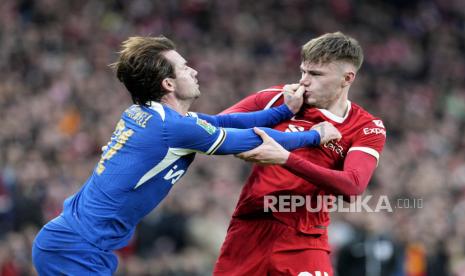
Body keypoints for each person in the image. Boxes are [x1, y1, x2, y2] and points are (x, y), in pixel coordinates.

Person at [31, 36, 341, 275]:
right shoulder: (171, 128)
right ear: (168, 84)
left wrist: (284, 111)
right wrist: (315, 135)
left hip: (73, 243)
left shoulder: (151, 115)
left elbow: (225, 122)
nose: (193, 70)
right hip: (77, 248)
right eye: (183, 67)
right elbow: (250, 141)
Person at [214, 32, 387, 276]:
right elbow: (213, 132)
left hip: (305, 239)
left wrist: (285, 158)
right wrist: (281, 113)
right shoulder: (278, 98)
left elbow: (353, 186)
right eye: (303, 71)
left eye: (315, 74)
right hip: (250, 229)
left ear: (347, 78)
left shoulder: (365, 126)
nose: (304, 81)